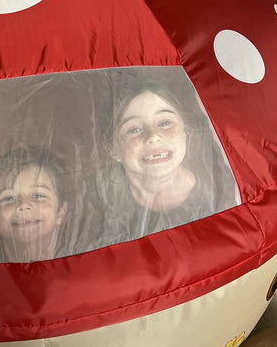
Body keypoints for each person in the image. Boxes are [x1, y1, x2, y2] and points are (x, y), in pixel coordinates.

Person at [84, 78, 238, 249]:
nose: (153, 136)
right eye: (134, 129)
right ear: (113, 149)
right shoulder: (94, 194)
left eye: (165, 123)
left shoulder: (220, 190)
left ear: (185, 131)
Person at [0, 146, 68, 262]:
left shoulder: (83, 254)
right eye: (9, 198)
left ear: (61, 213)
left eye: (38, 195)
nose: (23, 205)